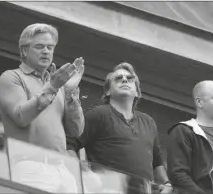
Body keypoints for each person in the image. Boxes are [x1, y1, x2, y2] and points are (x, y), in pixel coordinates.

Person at [0, 23, 85, 192]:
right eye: (39, 46)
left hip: (63, 169)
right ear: (24, 51)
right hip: (31, 167)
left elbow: (76, 131)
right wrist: (52, 87)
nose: (46, 51)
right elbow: (20, 116)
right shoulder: (12, 77)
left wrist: (70, 92)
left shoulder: (57, 84)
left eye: (50, 47)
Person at [67, 62, 172, 194]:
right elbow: (69, 145)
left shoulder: (149, 122)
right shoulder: (98, 114)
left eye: (130, 79)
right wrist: (85, 172)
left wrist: (167, 184)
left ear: (137, 92)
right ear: (108, 91)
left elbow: (157, 163)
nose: (124, 79)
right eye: (118, 78)